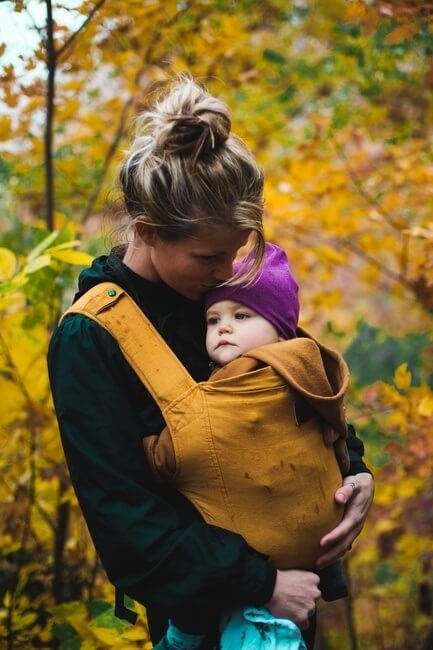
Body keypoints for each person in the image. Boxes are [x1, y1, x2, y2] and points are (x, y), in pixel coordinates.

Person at [47, 75, 374, 650]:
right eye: (209, 256)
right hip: (202, 613)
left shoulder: (219, 292)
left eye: (235, 252)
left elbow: (299, 387)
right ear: (147, 231)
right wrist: (262, 583)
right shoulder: (90, 338)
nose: (227, 272)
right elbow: (125, 520)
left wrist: (357, 473)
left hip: (299, 596)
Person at [141, 242, 352, 650]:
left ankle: (184, 635)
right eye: (213, 318)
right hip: (305, 547)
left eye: (241, 316)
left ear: (279, 328)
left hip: (252, 556)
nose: (223, 327)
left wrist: (151, 451)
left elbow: (190, 440)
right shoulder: (307, 373)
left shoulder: (243, 377)